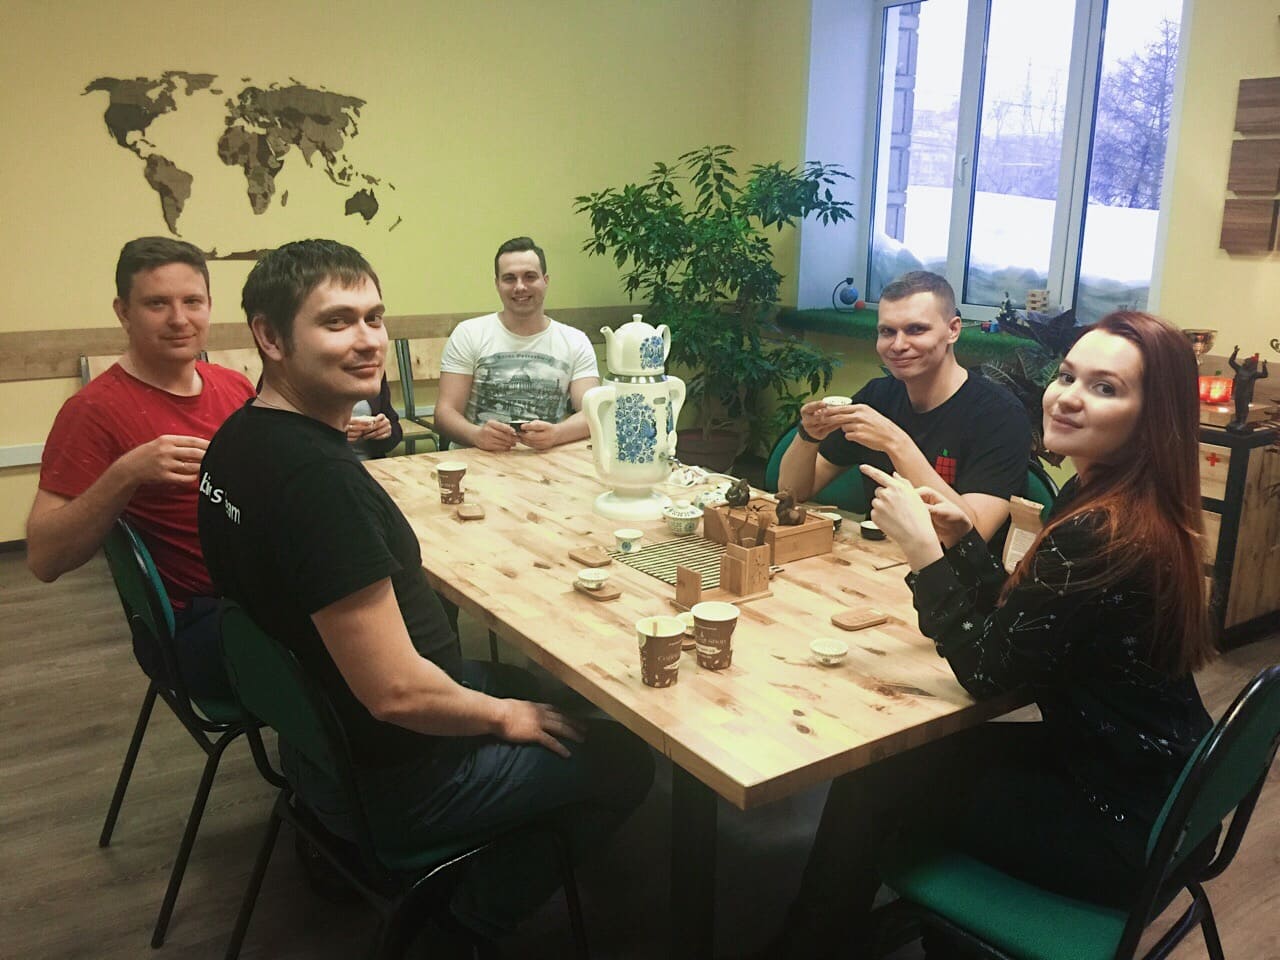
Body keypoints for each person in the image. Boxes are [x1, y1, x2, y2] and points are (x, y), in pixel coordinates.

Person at [198, 239, 653, 954]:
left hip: (320, 751)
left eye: (374, 318)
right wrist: (501, 717)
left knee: (525, 684)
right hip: (399, 779)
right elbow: (397, 695)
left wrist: (504, 703)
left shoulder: (238, 440)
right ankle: (466, 922)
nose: (367, 339)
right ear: (270, 337)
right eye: (337, 321)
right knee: (627, 760)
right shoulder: (318, 484)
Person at [774, 311, 1215, 958]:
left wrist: (924, 554)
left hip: (1122, 821)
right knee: (898, 766)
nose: (1067, 396)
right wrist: (961, 543)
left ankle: (816, 944)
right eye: (1067, 375)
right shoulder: (1111, 500)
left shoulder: (1101, 532)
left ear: (1155, 416)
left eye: (1105, 387)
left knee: (872, 785)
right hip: (1161, 780)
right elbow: (1025, 621)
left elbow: (987, 671)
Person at [26, 237, 255, 699]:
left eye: (192, 302)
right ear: (123, 312)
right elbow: (44, 560)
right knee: (353, 651)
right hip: (197, 624)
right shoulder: (92, 412)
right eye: (157, 303)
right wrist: (125, 473)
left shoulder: (235, 387)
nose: (179, 319)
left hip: (257, 591)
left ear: (210, 306)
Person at [778, 271, 1029, 542]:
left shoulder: (1001, 416)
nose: (898, 345)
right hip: (879, 558)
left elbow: (973, 535)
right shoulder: (877, 396)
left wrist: (895, 443)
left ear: (953, 330)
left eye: (916, 329)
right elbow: (793, 493)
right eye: (887, 332)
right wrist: (809, 435)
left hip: (955, 567)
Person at [435, 236, 600, 452]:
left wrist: (557, 434)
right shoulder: (468, 334)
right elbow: (444, 414)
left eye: (530, 277)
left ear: (545, 281)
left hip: (548, 458)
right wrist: (476, 436)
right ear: (497, 284)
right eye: (510, 278)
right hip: (478, 457)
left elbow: (592, 413)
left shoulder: (575, 340)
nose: (520, 287)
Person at [345, 373, 402, 459]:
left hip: (370, 463)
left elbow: (395, 430)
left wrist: (384, 431)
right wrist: (334, 434)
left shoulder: (373, 371)